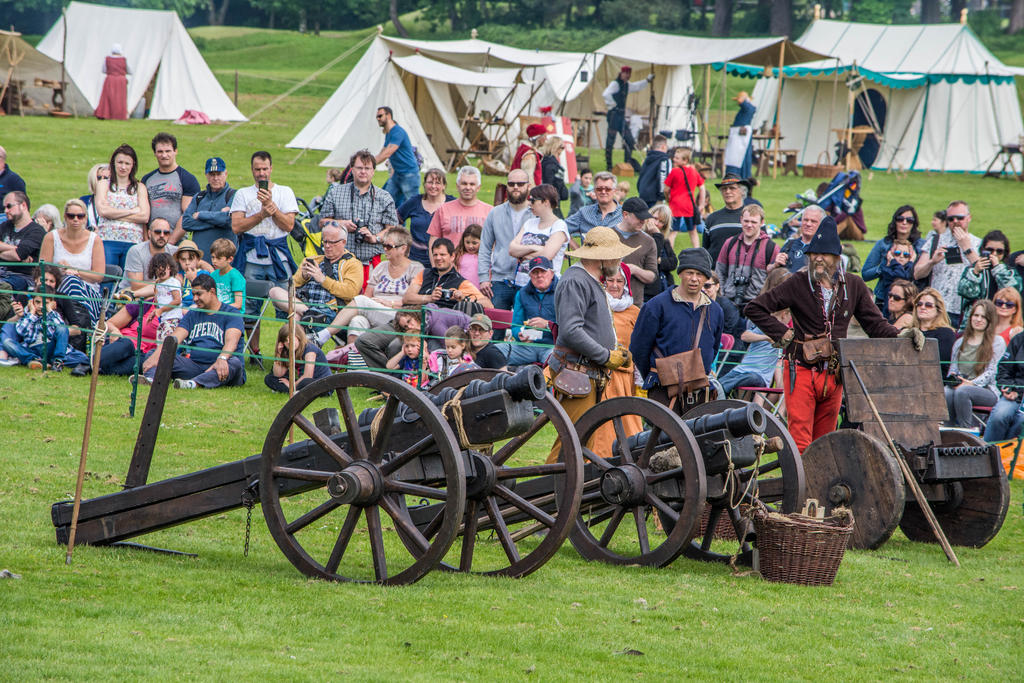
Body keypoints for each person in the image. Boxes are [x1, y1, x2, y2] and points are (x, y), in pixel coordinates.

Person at [745, 217, 908, 453]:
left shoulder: (853, 285)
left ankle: (819, 489)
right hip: (800, 369)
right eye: (813, 253)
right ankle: (801, 489)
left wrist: (902, 336)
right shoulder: (797, 282)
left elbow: (875, 325)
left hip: (834, 374)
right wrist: (785, 335)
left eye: (825, 253)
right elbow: (754, 308)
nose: (818, 258)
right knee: (800, 442)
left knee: (826, 442)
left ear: (837, 257)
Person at [546, 226, 636, 462]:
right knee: (571, 443)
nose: (619, 259)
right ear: (603, 257)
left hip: (587, 372)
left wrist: (612, 352)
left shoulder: (589, 280)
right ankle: (544, 494)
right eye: (616, 254)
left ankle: (570, 495)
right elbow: (571, 330)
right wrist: (606, 355)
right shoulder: (576, 280)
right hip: (577, 371)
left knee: (582, 443)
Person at [631, 248, 724, 409]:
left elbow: (713, 348)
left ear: (706, 278)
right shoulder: (657, 305)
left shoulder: (715, 311)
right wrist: (659, 374)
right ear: (680, 274)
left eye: (699, 274)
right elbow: (639, 348)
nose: (694, 279)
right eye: (689, 273)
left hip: (699, 389)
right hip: (662, 389)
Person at [316, 227, 423, 345]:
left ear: (403, 248)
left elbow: (414, 302)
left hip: (399, 315)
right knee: (357, 321)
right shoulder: (381, 267)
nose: (384, 249)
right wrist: (375, 302)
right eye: (383, 245)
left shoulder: (416, 269)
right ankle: (353, 359)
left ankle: (324, 335)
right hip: (375, 310)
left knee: (360, 300)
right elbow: (368, 296)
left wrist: (390, 303)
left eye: (388, 246)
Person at [140, 273, 245, 389]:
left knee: (234, 362)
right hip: (196, 367)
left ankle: (193, 384)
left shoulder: (231, 313)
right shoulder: (193, 314)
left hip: (224, 366)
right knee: (156, 353)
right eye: (193, 294)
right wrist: (157, 356)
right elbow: (175, 337)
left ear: (212, 292)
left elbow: (232, 342)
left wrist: (223, 358)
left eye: (199, 294)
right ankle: (151, 379)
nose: (195, 299)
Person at [587, 265, 644, 457]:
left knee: (628, 424)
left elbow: (641, 345)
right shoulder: (594, 307)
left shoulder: (634, 312)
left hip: (623, 379)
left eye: (619, 281)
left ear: (626, 285)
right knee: (598, 427)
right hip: (597, 373)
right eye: (610, 280)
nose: (614, 285)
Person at [231, 150, 298, 313]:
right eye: (257, 169)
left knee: (288, 307)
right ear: (252, 170)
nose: (261, 173)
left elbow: (289, 226)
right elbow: (236, 227)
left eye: (265, 169)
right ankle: (251, 339)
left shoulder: (285, 191)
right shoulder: (243, 194)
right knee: (249, 311)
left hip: (278, 258)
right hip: (251, 258)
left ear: (271, 169)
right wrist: (261, 214)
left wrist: (271, 207)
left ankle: (286, 339)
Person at [320, 149, 398, 282]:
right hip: (339, 262)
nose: (363, 172)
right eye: (359, 168)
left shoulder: (384, 197)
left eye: (367, 168)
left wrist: (374, 238)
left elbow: (392, 230)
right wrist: (341, 224)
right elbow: (322, 222)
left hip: (371, 263)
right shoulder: (336, 192)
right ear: (352, 169)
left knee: (366, 302)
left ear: (373, 171)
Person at [718, 268, 790, 397]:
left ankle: (722, 392)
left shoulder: (788, 328)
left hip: (761, 375)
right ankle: (717, 392)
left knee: (753, 379)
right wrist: (767, 338)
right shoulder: (764, 319)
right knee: (728, 380)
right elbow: (745, 336)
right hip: (744, 368)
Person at [270, 222, 361, 322]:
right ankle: (309, 314)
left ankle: (309, 317)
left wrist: (323, 280)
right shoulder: (313, 260)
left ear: (343, 242)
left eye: (331, 242)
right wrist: (303, 276)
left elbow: (350, 293)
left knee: (296, 318)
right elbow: (291, 288)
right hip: (304, 306)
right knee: (274, 291)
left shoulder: (353, 264)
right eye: (324, 241)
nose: (327, 246)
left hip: (329, 311)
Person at [912, 200, 981, 328]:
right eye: (951, 218)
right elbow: (917, 274)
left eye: (959, 218)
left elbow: (983, 274)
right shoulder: (936, 240)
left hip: (966, 310)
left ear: (969, 218)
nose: (955, 221)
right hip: (937, 309)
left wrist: (967, 248)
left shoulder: (977, 243)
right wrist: (932, 262)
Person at [39, 198, 106, 327]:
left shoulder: (95, 240)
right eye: (71, 216)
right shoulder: (51, 237)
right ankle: (77, 327)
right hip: (58, 289)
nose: (76, 219)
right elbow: (42, 270)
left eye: (80, 216)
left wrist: (75, 272)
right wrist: (59, 270)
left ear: (85, 217)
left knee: (72, 281)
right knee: (69, 281)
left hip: (88, 293)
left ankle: (76, 326)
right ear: (65, 216)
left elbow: (98, 276)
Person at [945, 299, 1004, 429]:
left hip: (987, 390)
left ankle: (967, 431)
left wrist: (971, 383)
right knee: (946, 392)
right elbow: (953, 368)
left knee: (963, 392)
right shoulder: (960, 342)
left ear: (990, 320)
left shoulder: (997, 342)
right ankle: (948, 430)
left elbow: (991, 373)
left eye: (983, 317)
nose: (978, 319)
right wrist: (955, 380)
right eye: (976, 315)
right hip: (961, 385)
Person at [479, 169, 533, 309]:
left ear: (529, 186)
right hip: (499, 280)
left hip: (528, 279)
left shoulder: (536, 214)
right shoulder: (495, 213)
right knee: (496, 326)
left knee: (525, 328)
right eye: (511, 183)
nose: (515, 187)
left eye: (520, 184)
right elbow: (485, 247)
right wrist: (484, 278)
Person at [72, 298, 159, 377]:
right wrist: (114, 331)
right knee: (126, 343)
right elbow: (109, 323)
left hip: (144, 353)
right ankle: (85, 364)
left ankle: (99, 369)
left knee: (141, 363)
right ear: (155, 290)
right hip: (123, 344)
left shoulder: (171, 315)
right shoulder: (145, 304)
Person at [96, 143, 150, 270]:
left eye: (127, 163)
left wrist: (113, 214)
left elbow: (144, 216)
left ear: (133, 166)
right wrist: (132, 211)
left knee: (128, 282)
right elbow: (102, 211)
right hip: (107, 238)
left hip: (133, 241)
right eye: (120, 162)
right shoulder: (104, 184)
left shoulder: (139, 187)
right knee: (108, 277)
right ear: (113, 163)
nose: (123, 167)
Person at [715, 203, 778, 310]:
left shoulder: (771, 248)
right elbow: (719, 272)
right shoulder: (729, 243)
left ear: (762, 223)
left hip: (757, 304)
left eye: (754, 222)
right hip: (729, 301)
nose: (749, 225)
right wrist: (721, 295)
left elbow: (775, 280)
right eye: (746, 221)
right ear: (741, 220)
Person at [861, 205, 925, 308]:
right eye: (900, 219)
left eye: (909, 220)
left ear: (914, 223)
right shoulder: (883, 244)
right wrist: (884, 266)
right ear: (895, 221)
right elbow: (865, 274)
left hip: (912, 299)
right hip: (885, 297)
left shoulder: (922, 246)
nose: (904, 222)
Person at [142, 133, 200, 244]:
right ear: (154, 153)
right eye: (160, 151)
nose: (164, 155)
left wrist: (171, 242)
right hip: (151, 240)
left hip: (176, 241)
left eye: (168, 151)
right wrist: (145, 240)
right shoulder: (147, 179)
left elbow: (187, 214)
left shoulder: (187, 178)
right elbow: (144, 213)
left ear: (175, 151)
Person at [509, 184, 570, 290]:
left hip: (545, 288)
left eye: (532, 200)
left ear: (546, 202)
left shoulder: (559, 226)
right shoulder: (529, 223)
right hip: (521, 284)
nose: (529, 203)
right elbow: (512, 249)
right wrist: (534, 248)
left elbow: (546, 257)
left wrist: (522, 254)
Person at [402, 238, 491, 310]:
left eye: (442, 254)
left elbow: (488, 304)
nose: (438, 258)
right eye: (435, 255)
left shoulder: (461, 282)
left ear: (452, 256)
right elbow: (407, 298)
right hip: (414, 318)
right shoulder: (424, 273)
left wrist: (464, 299)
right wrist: (430, 298)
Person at [0, 286, 69, 370]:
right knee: (7, 343)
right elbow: (21, 331)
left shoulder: (53, 315)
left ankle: (58, 362)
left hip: (49, 348)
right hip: (32, 349)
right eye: (37, 302)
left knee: (63, 328)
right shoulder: (27, 314)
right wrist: (32, 313)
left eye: (45, 303)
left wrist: (50, 310)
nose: (41, 306)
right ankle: (34, 360)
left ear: (52, 304)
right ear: (32, 302)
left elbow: (62, 330)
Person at [182, 157, 236, 261]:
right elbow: (186, 223)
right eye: (212, 174)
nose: (215, 178)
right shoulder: (199, 197)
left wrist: (201, 215)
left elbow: (228, 220)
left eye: (218, 174)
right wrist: (217, 220)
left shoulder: (234, 195)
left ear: (226, 174)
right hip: (200, 261)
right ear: (206, 175)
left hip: (224, 262)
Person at [397, 167, 453, 268]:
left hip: (443, 259)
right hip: (416, 259)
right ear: (424, 184)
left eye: (438, 183)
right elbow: (394, 219)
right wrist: (401, 242)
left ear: (444, 186)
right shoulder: (415, 202)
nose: (433, 186)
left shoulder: (452, 203)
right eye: (430, 182)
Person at [508, 256, 557, 367]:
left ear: (552, 273)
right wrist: (518, 334)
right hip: (526, 347)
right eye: (535, 272)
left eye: (543, 271)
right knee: (496, 351)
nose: (539, 275)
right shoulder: (522, 293)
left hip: (553, 346)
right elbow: (516, 325)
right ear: (530, 276)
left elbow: (569, 328)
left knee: (555, 363)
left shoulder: (563, 291)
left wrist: (547, 325)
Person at [958, 229, 1021, 316]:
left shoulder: (1010, 272)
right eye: (990, 250)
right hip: (976, 320)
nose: (994, 254)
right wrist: (975, 273)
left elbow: (1012, 293)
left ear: (1004, 253)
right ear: (983, 250)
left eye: (999, 251)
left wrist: (997, 269)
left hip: (1000, 320)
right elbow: (966, 293)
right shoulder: (972, 269)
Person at [428, 166, 492, 250]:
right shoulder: (443, 209)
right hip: (450, 262)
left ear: (478, 187)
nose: (468, 188)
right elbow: (433, 241)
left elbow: (495, 243)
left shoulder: (490, 211)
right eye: (464, 183)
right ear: (457, 186)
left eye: (472, 184)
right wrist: (434, 262)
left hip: (479, 262)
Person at [602, 65, 651, 172]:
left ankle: (627, 164)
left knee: (629, 140)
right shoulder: (615, 84)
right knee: (610, 141)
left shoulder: (627, 85)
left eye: (629, 74)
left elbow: (636, 86)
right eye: (626, 73)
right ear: (622, 73)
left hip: (621, 116)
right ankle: (609, 165)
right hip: (614, 116)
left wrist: (647, 81)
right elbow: (606, 94)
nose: (628, 76)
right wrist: (613, 104)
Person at [983, 322, 1024, 442]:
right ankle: (987, 451)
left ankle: (1005, 454)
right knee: (999, 415)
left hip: (1020, 396)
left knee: (1021, 420)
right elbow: (1004, 369)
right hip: (1014, 392)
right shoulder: (1019, 339)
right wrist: (1008, 387)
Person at [0, 191, 47, 294]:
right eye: (4, 207)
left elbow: (17, 255)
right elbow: (19, 253)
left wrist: (16, 252)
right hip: (2, 273)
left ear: (23, 205)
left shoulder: (36, 231)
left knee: (3, 286)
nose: (6, 210)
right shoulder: (4, 226)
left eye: (9, 206)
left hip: (22, 278)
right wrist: (15, 248)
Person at [614, 197, 658, 306]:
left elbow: (652, 276)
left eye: (645, 217)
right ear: (625, 215)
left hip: (634, 305)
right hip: (604, 304)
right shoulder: (606, 235)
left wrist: (634, 270)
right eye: (639, 217)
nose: (643, 221)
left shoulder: (649, 241)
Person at [375, 106, 421, 208]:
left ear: (389, 115)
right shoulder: (389, 134)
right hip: (397, 175)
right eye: (377, 117)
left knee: (414, 207)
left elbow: (387, 153)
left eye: (380, 116)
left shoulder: (398, 131)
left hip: (409, 175)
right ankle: (395, 224)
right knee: (385, 202)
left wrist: (370, 164)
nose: (378, 119)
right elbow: (382, 152)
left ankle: (424, 223)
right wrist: (367, 162)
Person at [265, 322, 330, 394]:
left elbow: (308, 376)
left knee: (305, 382)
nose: (289, 342)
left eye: (291, 338)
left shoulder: (310, 349)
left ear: (298, 336)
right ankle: (296, 391)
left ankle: (291, 390)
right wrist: (279, 354)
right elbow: (279, 374)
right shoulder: (288, 350)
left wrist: (292, 385)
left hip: (321, 384)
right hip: (303, 382)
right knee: (269, 378)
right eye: (286, 341)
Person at [702, 174, 754, 262]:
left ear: (742, 191)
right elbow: (705, 249)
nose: (728, 191)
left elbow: (764, 247)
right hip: (716, 272)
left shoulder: (753, 217)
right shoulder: (712, 218)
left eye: (732, 188)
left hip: (745, 272)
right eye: (724, 189)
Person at [120, 218, 177, 297]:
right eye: (157, 232)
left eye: (166, 233)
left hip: (162, 296)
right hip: (131, 296)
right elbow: (136, 286)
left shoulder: (174, 252)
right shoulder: (136, 251)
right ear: (149, 233)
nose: (162, 235)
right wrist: (165, 283)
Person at [663, 147, 707, 249]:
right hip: (689, 206)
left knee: (673, 232)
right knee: (693, 231)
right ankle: (698, 252)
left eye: (677, 158)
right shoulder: (694, 171)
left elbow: (666, 189)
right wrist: (701, 204)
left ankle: (670, 254)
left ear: (685, 160)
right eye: (675, 157)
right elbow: (702, 188)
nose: (674, 159)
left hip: (675, 205)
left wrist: (668, 198)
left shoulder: (674, 171)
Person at [911, 287, 956, 383]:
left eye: (928, 305)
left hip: (934, 381)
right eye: (919, 304)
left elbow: (941, 363)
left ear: (938, 310)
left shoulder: (946, 333)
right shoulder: (908, 331)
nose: (922, 307)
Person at [355, 309, 423, 370]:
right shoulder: (405, 359)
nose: (410, 327)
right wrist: (402, 352)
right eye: (406, 327)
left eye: (409, 321)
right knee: (361, 338)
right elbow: (389, 367)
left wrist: (424, 358)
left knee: (395, 345)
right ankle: (385, 380)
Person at [564, 171, 622, 243]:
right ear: (594, 190)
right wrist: (576, 249)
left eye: (608, 189)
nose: (603, 192)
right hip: (587, 254)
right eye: (599, 189)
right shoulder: (583, 213)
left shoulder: (624, 214)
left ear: (614, 191)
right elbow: (561, 228)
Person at [774, 205, 824, 275]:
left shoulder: (825, 249)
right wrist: (775, 265)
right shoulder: (790, 244)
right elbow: (769, 270)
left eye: (813, 221)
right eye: (805, 220)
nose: (808, 224)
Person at [643, 203, 676, 301]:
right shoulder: (641, 237)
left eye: (661, 222)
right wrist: (657, 235)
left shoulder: (664, 240)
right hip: (648, 291)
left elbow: (673, 263)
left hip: (665, 286)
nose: (657, 223)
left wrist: (660, 261)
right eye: (655, 218)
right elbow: (651, 259)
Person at [876, 239, 917, 316]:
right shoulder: (887, 269)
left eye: (906, 254)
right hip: (889, 314)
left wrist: (910, 262)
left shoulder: (909, 270)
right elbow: (900, 275)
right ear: (891, 255)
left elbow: (905, 275)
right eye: (897, 253)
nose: (901, 256)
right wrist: (910, 261)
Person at [150, 253, 183, 343]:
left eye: (164, 267)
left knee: (167, 345)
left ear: (170, 267)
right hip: (164, 319)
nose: (161, 270)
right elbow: (157, 303)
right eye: (157, 267)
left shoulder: (172, 282)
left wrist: (161, 310)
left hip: (173, 319)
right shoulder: (159, 284)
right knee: (160, 342)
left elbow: (177, 300)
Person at [724, 91, 756, 179]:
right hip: (737, 135)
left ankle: (739, 175)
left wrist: (743, 100)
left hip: (741, 137)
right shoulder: (746, 109)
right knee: (734, 156)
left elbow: (745, 104)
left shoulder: (749, 108)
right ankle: (734, 174)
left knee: (738, 155)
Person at [95, 44, 129, 120]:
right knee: (119, 99)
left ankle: (104, 114)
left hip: (110, 79)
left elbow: (104, 70)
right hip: (121, 81)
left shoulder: (107, 59)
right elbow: (129, 70)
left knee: (107, 97)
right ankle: (119, 115)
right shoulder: (123, 60)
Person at [208, 238, 246, 309]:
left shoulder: (236, 277)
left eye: (218, 258)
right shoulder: (213, 275)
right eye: (213, 257)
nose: (214, 261)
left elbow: (238, 304)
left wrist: (218, 308)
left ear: (230, 259)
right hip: (216, 311)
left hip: (233, 314)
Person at [637, 135, 671, 208]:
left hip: (643, 194)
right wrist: (661, 197)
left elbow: (641, 176)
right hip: (654, 198)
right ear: (663, 147)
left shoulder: (648, 158)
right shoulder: (664, 159)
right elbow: (662, 177)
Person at [539, 137, 569, 218]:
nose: (562, 150)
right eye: (562, 147)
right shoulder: (551, 164)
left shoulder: (546, 161)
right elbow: (549, 185)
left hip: (551, 201)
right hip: (552, 202)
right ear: (556, 147)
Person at [81, 163, 109, 230]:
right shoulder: (83, 201)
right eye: (99, 178)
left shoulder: (119, 201)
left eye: (106, 178)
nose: (102, 181)